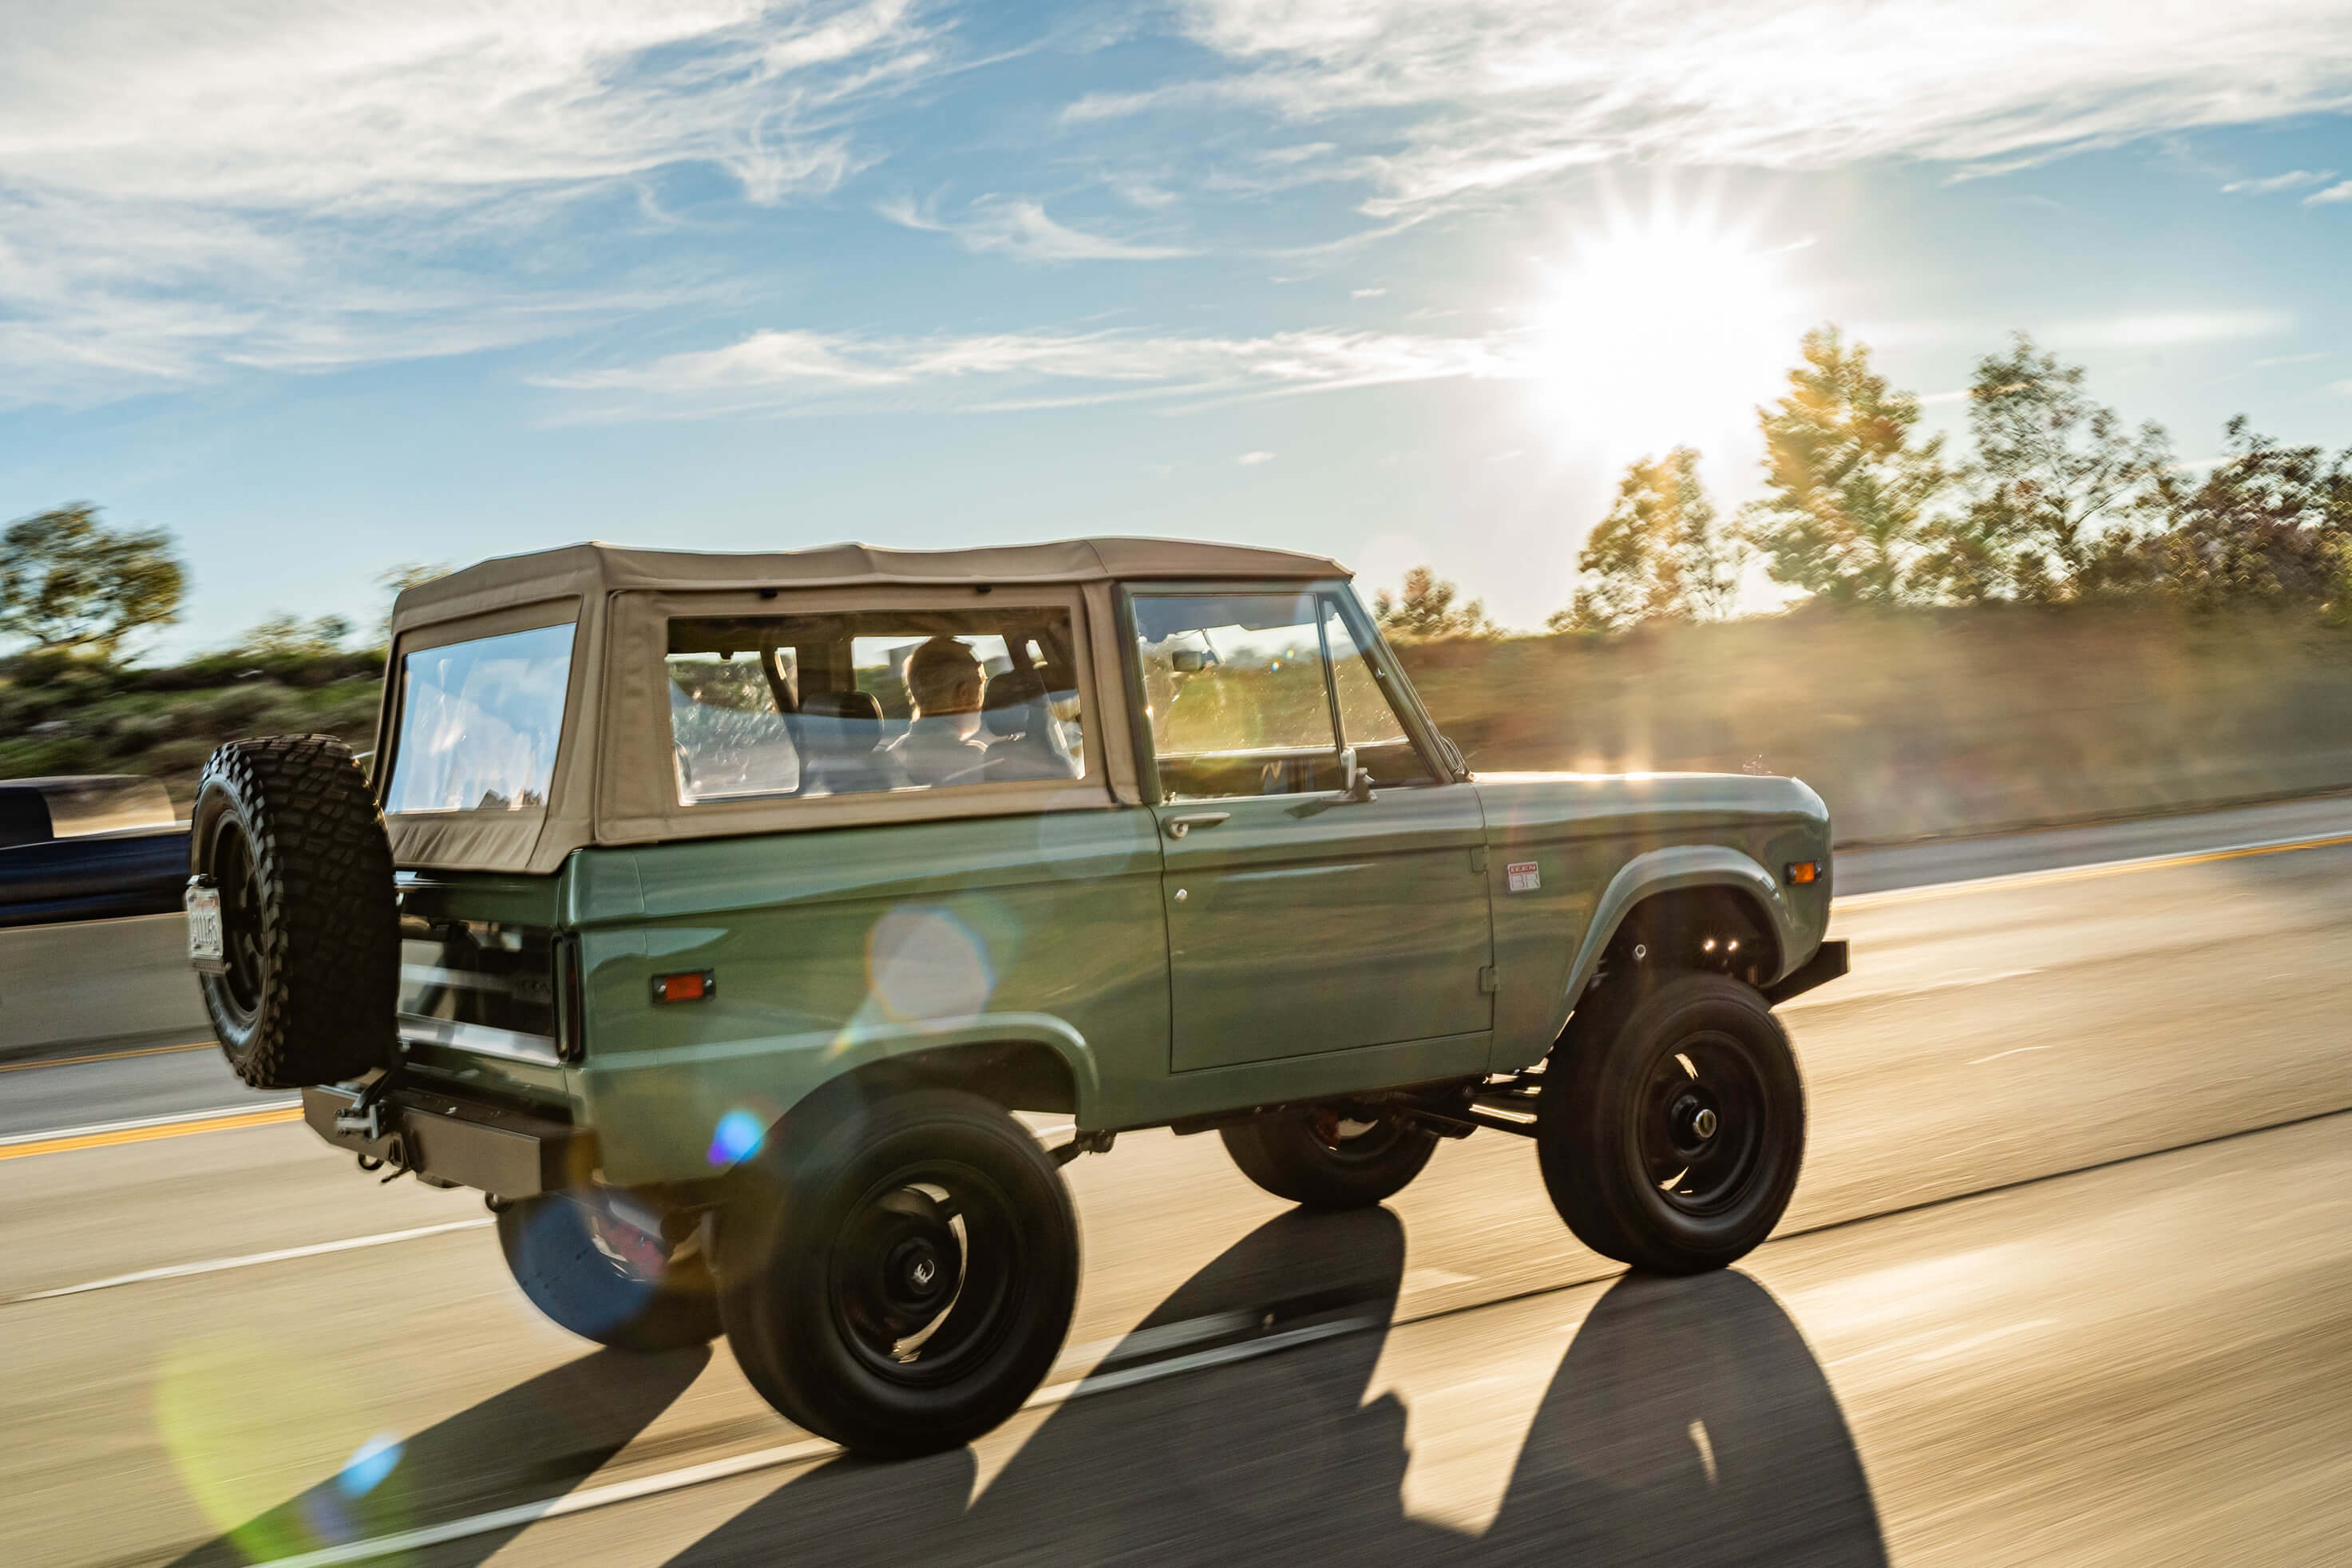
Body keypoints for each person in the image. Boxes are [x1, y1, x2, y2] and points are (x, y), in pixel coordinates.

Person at [886, 636, 991, 786]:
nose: (983, 699)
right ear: (964, 693)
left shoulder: (891, 757)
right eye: (981, 687)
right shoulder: (980, 761)